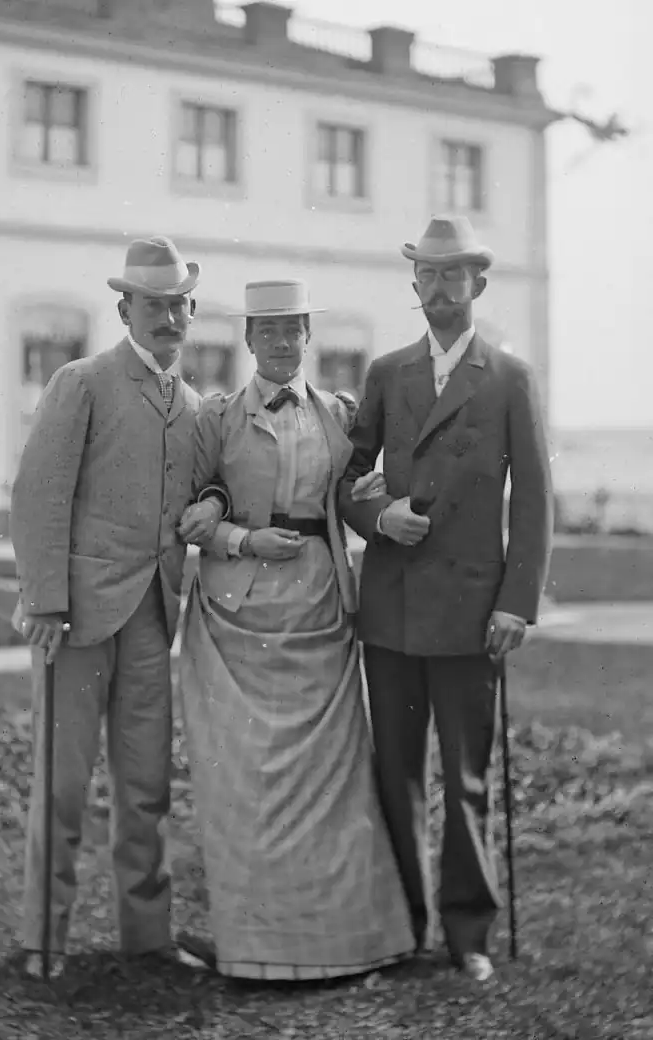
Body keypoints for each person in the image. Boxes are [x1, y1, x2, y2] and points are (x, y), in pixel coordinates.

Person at [176, 279, 415, 981]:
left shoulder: (341, 415)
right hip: (236, 616)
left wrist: (385, 504)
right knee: (247, 783)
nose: (282, 341)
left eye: (293, 328)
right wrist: (242, 539)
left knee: (329, 784)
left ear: (309, 336)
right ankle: (257, 948)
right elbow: (190, 513)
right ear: (249, 338)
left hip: (320, 608)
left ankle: (343, 945)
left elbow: (360, 490)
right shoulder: (217, 418)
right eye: (268, 329)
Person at [340, 216, 553, 983]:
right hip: (392, 609)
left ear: (477, 284)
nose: (438, 287)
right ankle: (405, 926)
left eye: (452, 273)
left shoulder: (509, 378)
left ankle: (468, 933)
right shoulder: (386, 373)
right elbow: (347, 478)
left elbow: (535, 499)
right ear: (414, 284)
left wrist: (516, 603)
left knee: (465, 781)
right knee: (395, 774)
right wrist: (377, 516)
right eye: (427, 274)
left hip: (470, 612)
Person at [10, 236, 226, 978]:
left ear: (191, 312)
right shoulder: (83, 382)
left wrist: (213, 502)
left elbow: (210, 484)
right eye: (153, 304)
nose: (169, 317)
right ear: (125, 309)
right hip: (73, 617)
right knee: (62, 784)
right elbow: (39, 494)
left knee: (146, 784)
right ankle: (44, 940)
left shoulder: (193, 406)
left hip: (151, 616)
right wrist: (45, 601)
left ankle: (148, 937)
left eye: (180, 305)